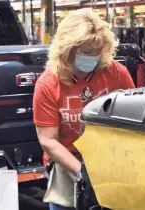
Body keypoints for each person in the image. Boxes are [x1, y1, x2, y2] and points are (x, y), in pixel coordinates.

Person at [33, 8, 135, 210]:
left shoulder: (116, 73)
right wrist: (82, 173)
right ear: (67, 49)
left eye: (97, 51)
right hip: (68, 165)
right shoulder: (48, 84)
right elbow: (48, 140)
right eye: (86, 52)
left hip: (110, 163)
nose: (93, 57)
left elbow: (134, 120)